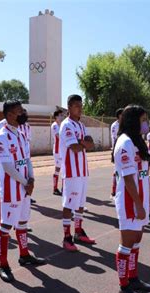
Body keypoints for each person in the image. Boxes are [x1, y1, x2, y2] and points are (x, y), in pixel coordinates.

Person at [0, 100, 46, 282]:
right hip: (11, 190)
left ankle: (24, 255)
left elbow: (27, 159)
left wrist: (31, 179)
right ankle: (3, 265)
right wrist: (25, 182)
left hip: (24, 188)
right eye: (19, 111)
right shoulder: (1, 137)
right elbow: (8, 166)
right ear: (9, 115)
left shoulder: (22, 134)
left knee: (23, 223)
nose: (23, 113)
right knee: (6, 226)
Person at [112, 105, 150, 293]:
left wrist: (146, 203)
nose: (146, 123)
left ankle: (133, 277)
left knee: (137, 239)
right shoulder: (124, 143)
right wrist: (138, 205)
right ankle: (123, 285)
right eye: (143, 119)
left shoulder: (138, 141)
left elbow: (143, 174)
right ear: (133, 120)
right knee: (127, 243)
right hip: (130, 200)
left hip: (141, 199)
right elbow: (129, 179)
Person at [59, 94, 96, 251]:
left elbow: (92, 145)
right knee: (69, 204)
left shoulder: (81, 125)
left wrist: (82, 142)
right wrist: (83, 143)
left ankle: (78, 232)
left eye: (81, 106)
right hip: (71, 171)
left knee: (80, 204)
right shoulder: (66, 125)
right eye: (76, 106)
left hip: (82, 171)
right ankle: (66, 237)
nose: (80, 109)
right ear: (69, 108)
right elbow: (74, 148)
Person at [110, 108, 124, 199]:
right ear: (119, 115)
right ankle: (113, 191)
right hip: (117, 149)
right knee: (116, 170)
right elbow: (116, 138)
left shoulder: (124, 124)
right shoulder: (115, 125)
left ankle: (121, 189)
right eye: (123, 114)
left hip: (124, 149)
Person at [51, 109, 64, 195]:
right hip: (58, 150)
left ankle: (64, 188)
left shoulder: (62, 125)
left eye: (62, 115)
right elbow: (58, 136)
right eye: (60, 115)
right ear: (56, 117)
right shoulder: (55, 125)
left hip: (63, 150)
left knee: (64, 169)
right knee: (58, 168)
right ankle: (55, 188)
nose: (62, 117)